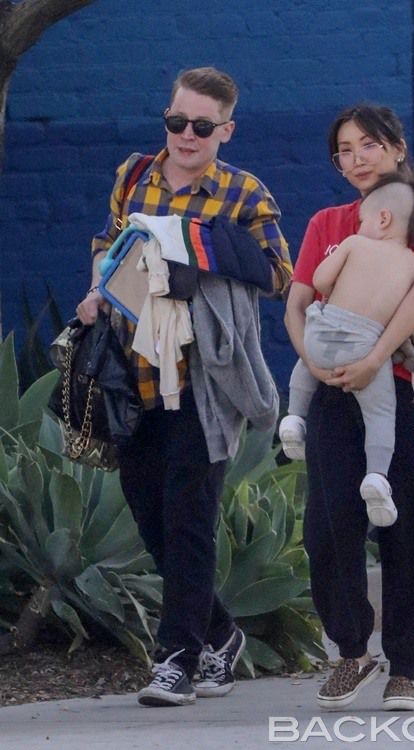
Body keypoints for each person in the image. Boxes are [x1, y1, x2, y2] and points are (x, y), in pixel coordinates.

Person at [76, 66, 292, 706]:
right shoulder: (135, 175)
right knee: (151, 520)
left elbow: (278, 274)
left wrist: (199, 254)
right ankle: (219, 634)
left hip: (202, 383)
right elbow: (108, 242)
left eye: (201, 125)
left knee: (189, 521)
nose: (186, 136)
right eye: (176, 122)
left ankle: (175, 661)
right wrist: (98, 288)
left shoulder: (243, 193)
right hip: (133, 373)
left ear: (226, 130)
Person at [284, 103, 414, 712]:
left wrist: (375, 358)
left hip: (410, 393)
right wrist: (312, 362)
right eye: (344, 150)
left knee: (408, 533)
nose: (356, 158)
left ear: (397, 148)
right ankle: (353, 652)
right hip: (334, 390)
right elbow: (297, 304)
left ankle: (404, 668)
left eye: (368, 145)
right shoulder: (328, 223)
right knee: (328, 529)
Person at [279, 174, 414, 527]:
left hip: (324, 333)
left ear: (382, 219)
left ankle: (293, 417)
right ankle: (377, 476)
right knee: (380, 414)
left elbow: (320, 281)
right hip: (365, 347)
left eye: (363, 220)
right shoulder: (413, 264)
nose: (359, 226)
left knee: (306, 363)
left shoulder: (354, 243)